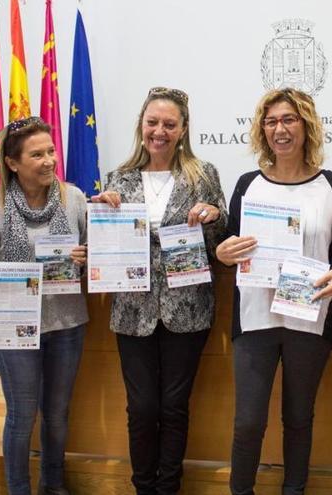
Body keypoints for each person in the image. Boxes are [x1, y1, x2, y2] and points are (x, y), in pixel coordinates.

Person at [216, 88, 332, 495]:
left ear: (306, 125)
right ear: (262, 129)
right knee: (248, 421)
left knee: (298, 417)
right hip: (255, 317)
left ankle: (294, 490)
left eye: (289, 119)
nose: (280, 128)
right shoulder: (247, 184)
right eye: (272, 121)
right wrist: (223, 251)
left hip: (309, 315)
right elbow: (228, 241)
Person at [94, 87, 227, 495]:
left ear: (183, 129)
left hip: (187, 308)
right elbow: (100, 243)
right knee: (142, 408)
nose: (160, 131)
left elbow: (221, 237)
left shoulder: (203, 174)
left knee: (173, 407)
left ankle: (169, 487)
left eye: (170, 124)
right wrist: (100, 209)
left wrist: (214, 215)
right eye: (153, 122)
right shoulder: (118, 178)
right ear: (142, 126)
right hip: (133, 310)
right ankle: (142, 486)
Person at [0, 117, 88, 495]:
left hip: (67, 323)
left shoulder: (74, 199)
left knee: (57, 415)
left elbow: (96, 255)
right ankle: (19, 489)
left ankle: (53, 485)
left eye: (51, 152)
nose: (49, 160)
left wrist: (86, 255)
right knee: (21, 415)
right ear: (13, 163)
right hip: (14, 329)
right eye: (37, 154)